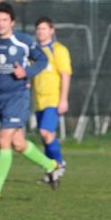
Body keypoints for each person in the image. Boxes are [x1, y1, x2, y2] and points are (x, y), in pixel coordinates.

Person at [0, 2, 62, 203]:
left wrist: (27, 72)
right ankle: (51, 166)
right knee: (18, 143)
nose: (0, 24)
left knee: (3, 139)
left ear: (12, 22)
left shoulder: (23, 42)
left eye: (4, 20)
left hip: (19, 97)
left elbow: (42, 60)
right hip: (0, 98)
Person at [31, 16, 71, 176]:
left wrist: (63, 99)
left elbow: (66, 75)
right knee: (46, 136)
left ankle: (59, 164)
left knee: (45, 133)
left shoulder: (58, 50)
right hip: (38, 100)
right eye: (38, 29)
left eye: (44, 28)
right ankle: (51, 171)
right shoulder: (34, 51)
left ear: (51, 30)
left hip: (53, 99)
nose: (41, 32)